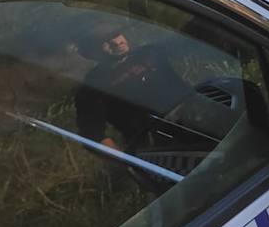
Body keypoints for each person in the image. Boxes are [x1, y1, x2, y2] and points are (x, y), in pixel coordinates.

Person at [74, 19, 191, 151]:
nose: (116, 42)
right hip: (163, 143)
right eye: (104, 41)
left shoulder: (149, 52)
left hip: (197, 117)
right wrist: (129, 161)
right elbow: (92, 134)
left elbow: (188, 41)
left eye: (116, 34)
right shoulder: (94, 84)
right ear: (92, 51)